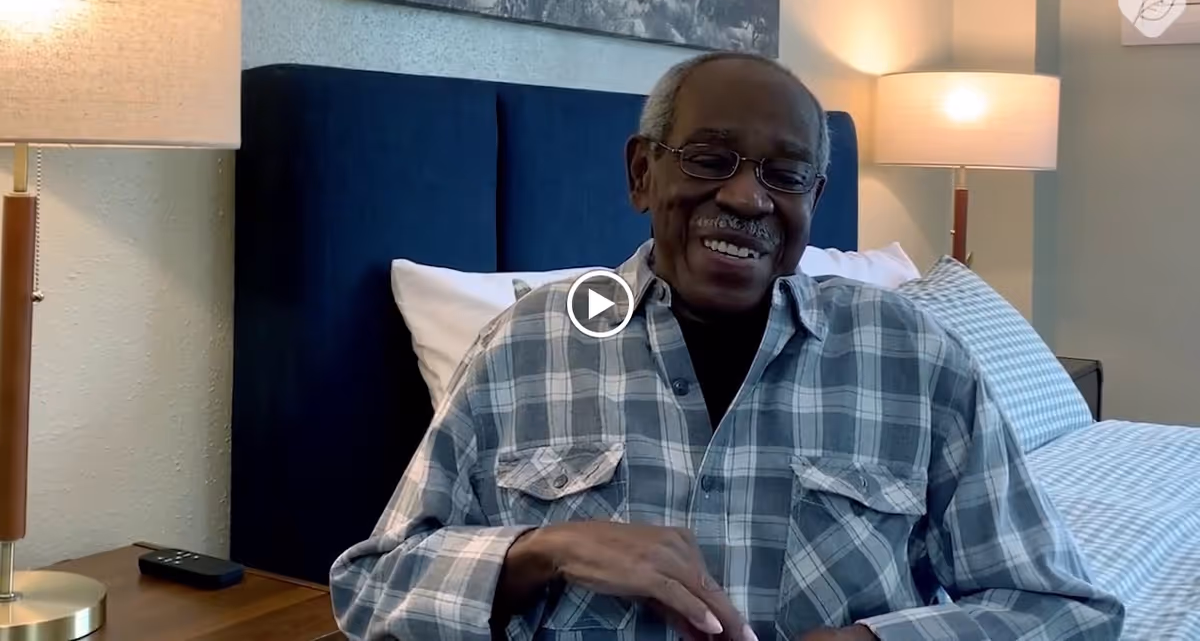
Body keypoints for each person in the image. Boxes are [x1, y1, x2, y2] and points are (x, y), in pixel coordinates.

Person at [329, 52, 1124, 641]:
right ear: (643, 173)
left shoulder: (914, 357)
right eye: (711, 160)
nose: (747, 197)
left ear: (814, 200)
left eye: (785, 175)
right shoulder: (525, 344)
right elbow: (370, 589)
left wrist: (879, 639)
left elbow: (1066, 609)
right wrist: (547, 548)